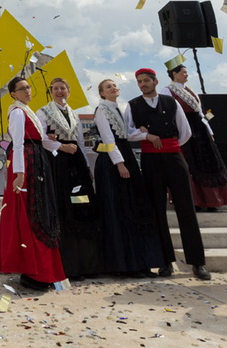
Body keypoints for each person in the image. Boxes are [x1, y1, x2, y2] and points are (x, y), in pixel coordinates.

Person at [124, 68, 210, 280]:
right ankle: (165, 261)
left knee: (186, 208)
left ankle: (197, 262)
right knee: (157, 211)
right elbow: (128, 132)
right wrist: (147, 135)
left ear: (155, 81)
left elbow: (185, 132)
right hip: (151, 160)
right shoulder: (132, 105)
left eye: (146, 80)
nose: (142, 84)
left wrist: (169, 146)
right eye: (139, 82)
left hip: (174, 158)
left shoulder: (171, 102)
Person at [0, 76, 65, 291]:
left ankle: (41, 271)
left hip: (35, 162)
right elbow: (17, 144)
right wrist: (19, 173)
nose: (27, 91)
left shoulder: (27, 111)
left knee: (38, 214)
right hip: (26, 164)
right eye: (22, 89)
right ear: (13, 94)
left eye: (28, 87)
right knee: (29, 215)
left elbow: (39, 139)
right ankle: (32, 271)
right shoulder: (17, 112)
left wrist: (58, 145)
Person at [92, 78, 164, 278]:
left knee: (133, 208)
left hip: (125, 156)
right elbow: (108, 139)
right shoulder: (101, 110)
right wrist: (120, 163)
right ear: (102, 93)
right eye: (108, 87)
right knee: (119, 210)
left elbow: (127, 135)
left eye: (114, 85)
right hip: (113, 161)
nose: (113, 88)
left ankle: (139, 262)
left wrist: (143, 134)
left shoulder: (120, 110)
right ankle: (124, 265)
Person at [37, 77, 104, 281]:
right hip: (58, 164)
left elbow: (81, 142)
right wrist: (61, 147)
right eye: (55, 88)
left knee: (82, 207)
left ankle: (88, 264)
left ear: (69, 91)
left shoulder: (74, 113)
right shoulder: (43, 112)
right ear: (51, 91)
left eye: (63, 88)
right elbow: (40, 138)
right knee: (63, 209)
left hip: (76, 165)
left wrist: (85, 165)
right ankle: (68, 265)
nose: (59, 91)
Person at [161, 65, 227, 212]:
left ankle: (211, 200)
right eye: (183, 72)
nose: (186, 75)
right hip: (185, 130)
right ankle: (194, 201)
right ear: (174, 74)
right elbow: (168, 113)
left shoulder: (190, 91)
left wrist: (209, 131)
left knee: (208, 163)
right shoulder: (167, 90)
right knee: (190, 164)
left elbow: (200, 114)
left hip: (199, 131)